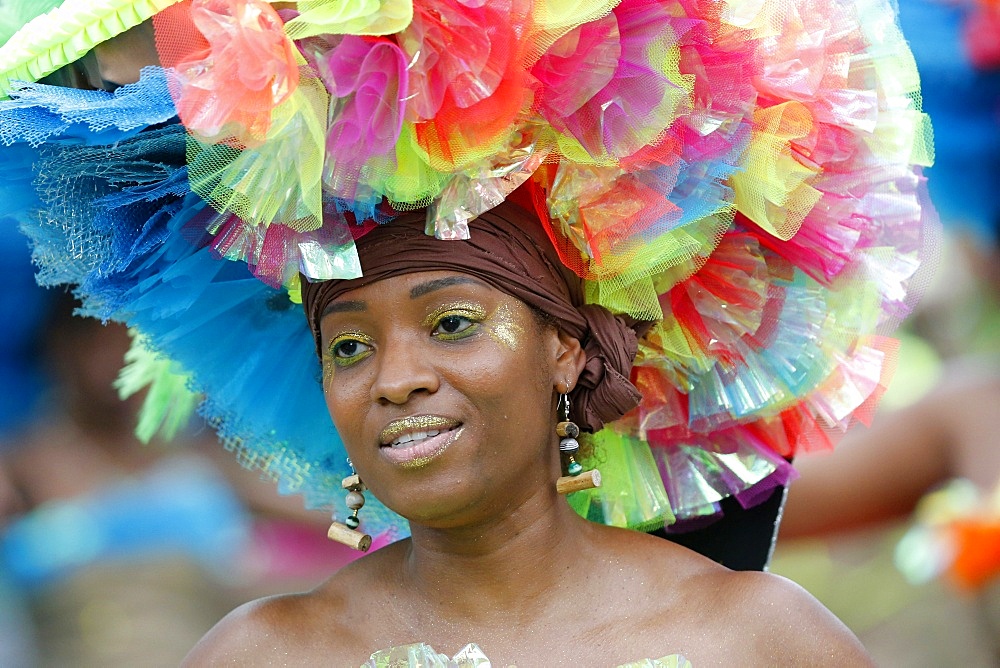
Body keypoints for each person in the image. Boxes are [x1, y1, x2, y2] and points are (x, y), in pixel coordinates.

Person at [0, 0, 935, 664]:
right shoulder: (262, 656)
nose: (396, 379)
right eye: (350, 347)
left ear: (565, 350)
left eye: (452, 323)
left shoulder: (758, 641)